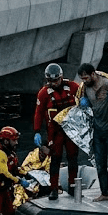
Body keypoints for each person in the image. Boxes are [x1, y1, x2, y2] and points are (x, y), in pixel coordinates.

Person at [77, 62, 108, 205]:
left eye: (86, 78)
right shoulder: (85, 88)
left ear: (93, 74)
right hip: (98, 129)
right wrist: (82, 104)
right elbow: (79, 106)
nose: (84, 81)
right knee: (99, 163)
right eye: (82, 79)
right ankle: (105, 193)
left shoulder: (107, 83)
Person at [33, 63, 80, 200]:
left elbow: (85, 98)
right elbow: (38, 113)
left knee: (73, 158)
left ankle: (72, 186)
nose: (53, 83)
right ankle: (53, 189)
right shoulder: (43, 93)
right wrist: (37, 131)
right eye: (50, 81)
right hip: (55, 132)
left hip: (72, 130)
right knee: (55, 160)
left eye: (56, 80)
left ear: (61, 77)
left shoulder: (73, 87)